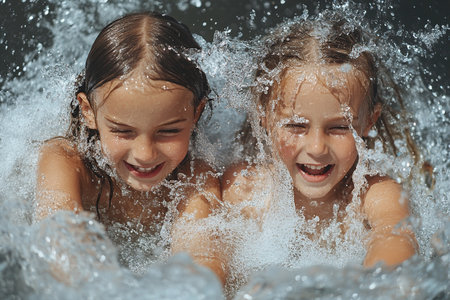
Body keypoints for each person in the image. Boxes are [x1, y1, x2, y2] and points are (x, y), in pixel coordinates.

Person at [35, 12, 224, 283]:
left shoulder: (195, 177)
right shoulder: (65, 161)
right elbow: (60, 247)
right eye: (123, 131)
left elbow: (204, 262)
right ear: (88, 111)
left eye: (169, 131)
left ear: (196, 113)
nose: (145, 154)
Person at [222, 16, 422, 268]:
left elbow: (395, 241)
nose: (317, 148)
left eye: (339, 127)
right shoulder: (244, 189)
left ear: (369, 121)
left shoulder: (375, 195)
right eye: (296, 125)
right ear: (263, 116)